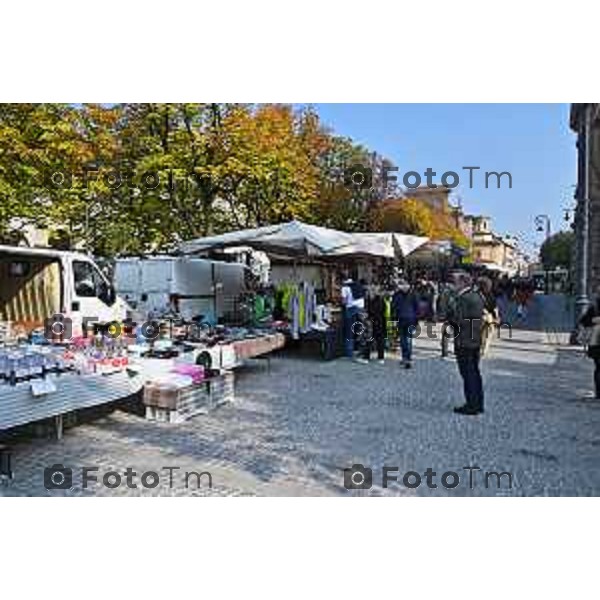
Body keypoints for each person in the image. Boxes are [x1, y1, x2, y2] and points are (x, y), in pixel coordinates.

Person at [447, 275, 486, 415]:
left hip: (464, 339)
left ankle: (471, 405)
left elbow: (459, 320)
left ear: (463, 283)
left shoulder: (463, 298)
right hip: (474, 338)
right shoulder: (477, 296)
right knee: (475, 372)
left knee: (467, 373)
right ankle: (478, 403)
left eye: (455, 282)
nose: (454, 284)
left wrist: (450, 313)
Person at [392, 279, 419, 369]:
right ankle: (408, 358)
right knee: (408, 339)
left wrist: (394, 320)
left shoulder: (397, 295)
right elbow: (417, 308)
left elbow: (394, 308)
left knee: (404, 339)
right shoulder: (413, 294)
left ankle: (405, 358)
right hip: (410, 319)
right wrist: (416, 320)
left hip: (402, 319)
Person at [579, 288, 600, 398]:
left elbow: (583, 321)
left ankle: (599, 393)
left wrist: (594, 321)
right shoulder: (594, 308)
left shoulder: (594, 307)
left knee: (598, 367)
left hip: (596, 343)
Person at [359, 283, 387, 364]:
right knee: (379, 340)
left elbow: (370, 312)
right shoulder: (381, 300)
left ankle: (366, 357)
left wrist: (366, 315)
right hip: (381, 322)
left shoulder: (371, 301)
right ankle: (380, 358)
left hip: (372, 322)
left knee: (369, 339)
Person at [341, 276, 365, 358]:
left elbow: (344, 301)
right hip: (361, 309)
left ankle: (349, 352)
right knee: (360, 329)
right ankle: (361, 350)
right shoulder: (358, 285)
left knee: (349, 331)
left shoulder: (345, 287)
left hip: (351, 309)